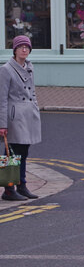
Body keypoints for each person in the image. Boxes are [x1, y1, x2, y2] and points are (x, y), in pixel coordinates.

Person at [0, 35, 42, 201]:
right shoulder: (6, 70)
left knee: (23, 153)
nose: (24, 50)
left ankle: (22, 185)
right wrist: (2, 124)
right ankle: (9, 189)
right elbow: (2, 99)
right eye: (21, 47)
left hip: (28, 115)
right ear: (15, 50)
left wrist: (35, 109)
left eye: (27, 47)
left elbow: (32, 92)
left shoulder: (30, 67)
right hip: (14, 115)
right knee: (11, 153)